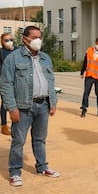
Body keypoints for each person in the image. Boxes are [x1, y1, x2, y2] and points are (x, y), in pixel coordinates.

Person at [0, 26, 60, 187]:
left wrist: (53, 102)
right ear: (25, 39)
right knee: (18, 140)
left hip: (43, 105)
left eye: (39, 37)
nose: (37, 40)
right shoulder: (13, 59)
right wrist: (11, 107)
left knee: (40, 139)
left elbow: (51, 81)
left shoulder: (45, 58)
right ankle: (15, 171)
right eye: (34, 37)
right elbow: (5, 84)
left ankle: (42, 166)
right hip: (22, 107)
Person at [80, 37, 98, 117]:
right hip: (89, 75)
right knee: (86, 93)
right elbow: (85, 62)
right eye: (97, 43)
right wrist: (82, 72)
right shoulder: (89, 50)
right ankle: (84, 109)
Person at [0, 32, 18, 135]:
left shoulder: (18, 50)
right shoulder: (1, 52)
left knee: (15, 103)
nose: (9, 42)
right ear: (2, 42)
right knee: (5, 104)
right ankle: (4, 125)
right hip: (4, 81)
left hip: (16, 81)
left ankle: (16, 125)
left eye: (11, 39)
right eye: (6, 40)